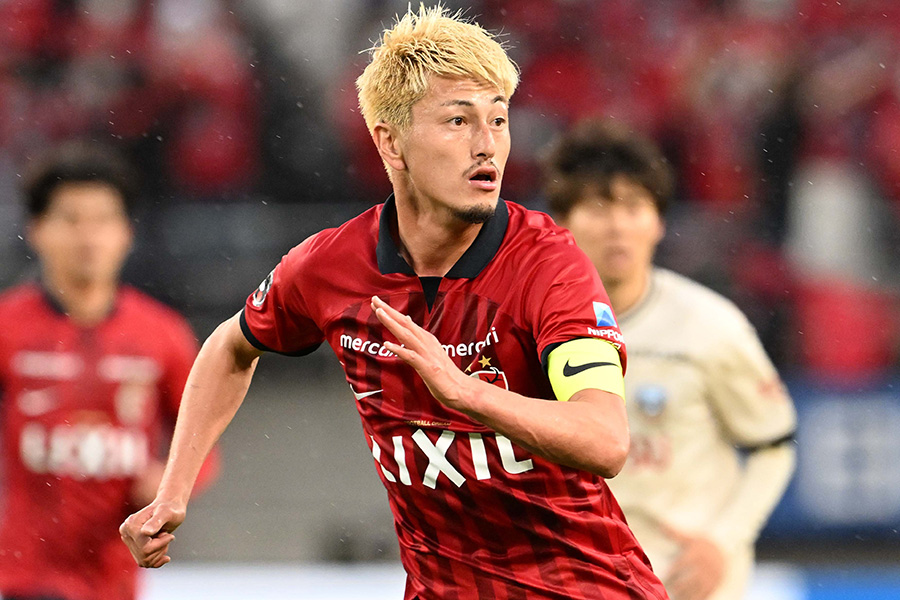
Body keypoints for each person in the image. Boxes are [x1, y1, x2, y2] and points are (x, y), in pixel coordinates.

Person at [120, 6, 669, 600]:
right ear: (391, 142)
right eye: (458, 121)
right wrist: (172, 492)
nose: (487, 145)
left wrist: (466, 393)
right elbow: (231, 347)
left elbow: (604, 438)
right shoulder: (330, 266)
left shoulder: (549, 265)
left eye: (498, 119)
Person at [544, 119, 797, 600]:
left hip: (687, 584)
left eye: (634, 207)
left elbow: (774, 445)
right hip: (579, 583)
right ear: (561, 221)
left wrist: (723, 542)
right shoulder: (529, 331)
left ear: (659, 221)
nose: (618, 226)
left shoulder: (710, 326)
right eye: (598, 208)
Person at [0, 142, 219, 600]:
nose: (88, 237)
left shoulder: (163, 334)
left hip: (116, 580)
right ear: (36, 231)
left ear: (126, 233)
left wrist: (169, 485)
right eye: (71, 220)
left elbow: (203, 443)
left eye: (102, 220)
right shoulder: (7, 328)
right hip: (23, 577)